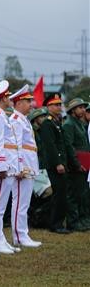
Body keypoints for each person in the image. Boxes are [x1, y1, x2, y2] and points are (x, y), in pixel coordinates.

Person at [0, 80, 22, 254]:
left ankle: (0, 238)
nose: (10, 99)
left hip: (7, 165)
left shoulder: (1, 115)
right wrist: (0, 167)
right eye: (8, 96)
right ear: (4, 98)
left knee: (1, 206)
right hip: (2, 167)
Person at [8, 85, 42, 248]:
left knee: (24, 202)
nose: (31, 104)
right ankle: (19, 236)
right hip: (23, 166)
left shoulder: (23, 119)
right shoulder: (15, 120)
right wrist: (19, 166)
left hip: (29, 163)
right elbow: (17, 146)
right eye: (28, 101)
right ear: (19, 102)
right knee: (20, 202)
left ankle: (23, 233)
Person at [38, 94, 73, 233]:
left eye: (60, 104)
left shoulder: (55, 121)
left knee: (62, 194)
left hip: (61, 163)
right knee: (58, 195)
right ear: (49, 107)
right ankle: (55, 224)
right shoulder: (47, 123)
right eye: (56, 105)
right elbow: (51, 146)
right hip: (55, 165)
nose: (59, 107)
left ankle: (58, 222)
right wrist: (58, 163)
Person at [61, 98, 90, 231]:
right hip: (75, 165)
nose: (83, 110)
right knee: (73, 195)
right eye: (80, 108)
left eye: (84, 107)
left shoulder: (78, 123)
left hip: (83, 163)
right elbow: (69, 146)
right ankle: (73, 222)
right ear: (73, 110)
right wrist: (77, 164)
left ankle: (82, 220)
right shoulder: (69, 124)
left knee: (82, 194)